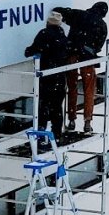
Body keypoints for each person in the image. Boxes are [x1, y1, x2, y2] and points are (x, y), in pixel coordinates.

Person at [53, 2, 109, 133]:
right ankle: (87, 122)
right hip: (87, 58)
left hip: (72, 55)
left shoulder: (79, 14)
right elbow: (99, 44)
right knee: (89, 89)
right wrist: (90, 48)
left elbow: (59, 10)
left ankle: (71, 119)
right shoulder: (102, 24)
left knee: (71, 86)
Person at [24, 11, 69, 140]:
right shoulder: (62, 36)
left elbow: (32, 50)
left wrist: (28, 51)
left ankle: (41, 130)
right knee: (56, 107)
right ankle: (57, 134)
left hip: (45, 75)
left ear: (48, 22)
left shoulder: (44, 34)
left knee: (42, 104)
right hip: (59, 76)